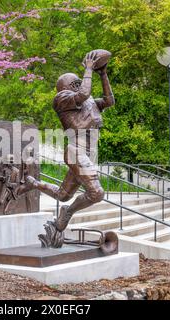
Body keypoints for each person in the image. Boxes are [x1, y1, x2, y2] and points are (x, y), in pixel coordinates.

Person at [20, 51, 115, 245]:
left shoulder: (88, 102)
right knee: (96, 193)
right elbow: (83, 94)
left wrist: (103, 74)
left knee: (63, 195)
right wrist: (89, 68)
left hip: (88, 153)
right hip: (76, 151)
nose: (81, 83)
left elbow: (109, 101)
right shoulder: (61, 98)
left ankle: (33, 183)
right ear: (68, 86)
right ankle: (68, 213)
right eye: (76, 82)